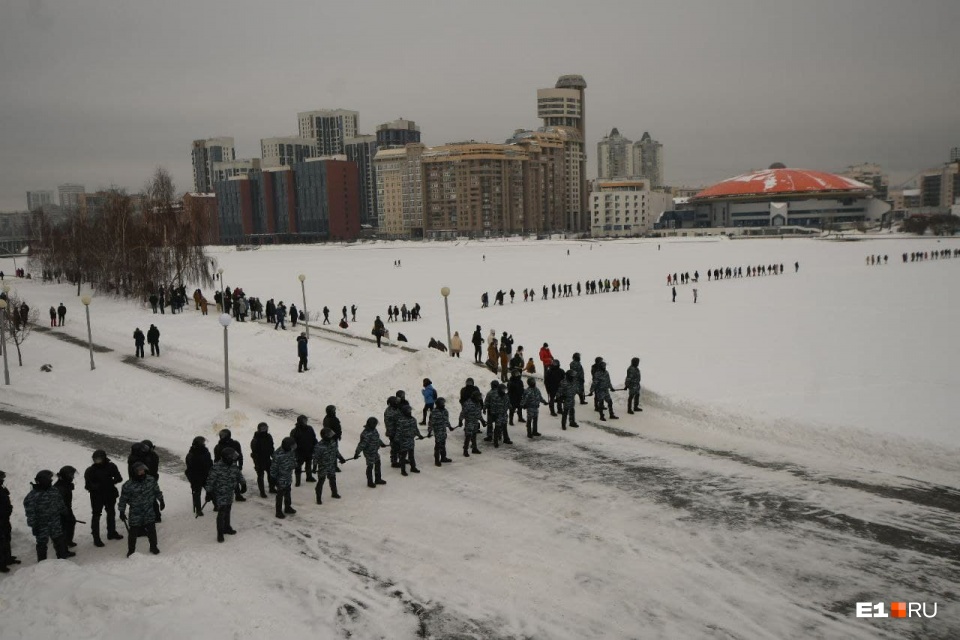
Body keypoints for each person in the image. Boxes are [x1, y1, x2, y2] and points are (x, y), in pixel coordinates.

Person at [23, 470, 72, 562]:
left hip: (55, 522)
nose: (51, 481)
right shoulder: (32, 496)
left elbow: (60, 503)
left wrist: (65, 513)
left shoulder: (53, 490)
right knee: (42, 545)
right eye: (49, 479)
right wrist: (34, 525)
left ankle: (63, 562)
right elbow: (30, 513)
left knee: (59, 542)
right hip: (41, 525)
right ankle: (42, 565)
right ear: (43, 480)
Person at [118, 462, 163, 556]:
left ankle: (153, 546)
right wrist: (121, 511)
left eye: (143, 470)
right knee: (133, 532)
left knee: (151, 530)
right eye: (139, 471)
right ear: (134, 472)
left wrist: (161, 500)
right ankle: (131, 550)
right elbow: (123, 499)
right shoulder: (128, 485)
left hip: (149, 510)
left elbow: (157, 491)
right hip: (135, 512)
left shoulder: (150, 480)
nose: (142, 472)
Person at [84, 449, 123, 547]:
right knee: (96, 515)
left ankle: (111, 532)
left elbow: (119, 477)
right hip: (97, 496)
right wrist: (97, 486)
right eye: (95, 459)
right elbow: (87, 485)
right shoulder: (90, 470)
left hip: (110, 493)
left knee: (111, 512)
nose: (97, 461)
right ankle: (96, 538)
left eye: (99, 459)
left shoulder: (111, 466)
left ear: (104, 458)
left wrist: (111, 482)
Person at [205, 447, 245, 542]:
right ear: (226, 457)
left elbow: (239, 475)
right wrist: (209, 492)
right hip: (220, 493)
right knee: (222, 511)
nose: (233, 459)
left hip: (230, 491)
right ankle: (220, 532)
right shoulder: (217, 467)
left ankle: (227, 527)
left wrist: (243, 483)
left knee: (228, 509)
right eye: (232, 457)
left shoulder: (233, 465)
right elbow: (210, 481)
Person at [353, 417, 389, 488]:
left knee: (378, 462)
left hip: (374, 451)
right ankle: (370, 482)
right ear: (371, 424)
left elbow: (377, 438)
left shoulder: (374, 430)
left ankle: (378, 479)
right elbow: (361, 445)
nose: (375, 426)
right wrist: (357, 453)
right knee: (370, 466)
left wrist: (381, 443)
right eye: (374, 424)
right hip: (369, 453)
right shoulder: (365, 434)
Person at [313, 428, 346, 504]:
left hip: (331, 465)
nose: (331, 436)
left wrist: (340, 458)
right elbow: (315, 457)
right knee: (321, 481)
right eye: (329, 435)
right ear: (325, 436)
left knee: (332, 479)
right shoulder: (319, 446)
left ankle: (334, 493)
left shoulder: (332, 442)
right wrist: (314, 466)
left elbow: (336, 451)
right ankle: (318, 498)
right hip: (323, 467)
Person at [213, 429, 246, 502]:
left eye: (224, 435)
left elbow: (239, 455)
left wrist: (240, 464)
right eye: (221, 435)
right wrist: (216, 468)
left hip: (233, 464)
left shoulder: (235, 444)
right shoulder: (218, 446)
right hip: (222, 466)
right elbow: (216, 458)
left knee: (235, 479)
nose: (222, 436)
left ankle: (238, 495)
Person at [270, 438, 298, 518]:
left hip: (288, 476)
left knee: (288, 492)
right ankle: (278, 511)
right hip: (280, 478)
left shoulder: (290, 451)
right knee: (280, 495)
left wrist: (295, 465)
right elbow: (273, 468)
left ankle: (287, 507)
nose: (294, 447)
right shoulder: (278, 455)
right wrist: (273, 478)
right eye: (292, 446)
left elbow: (292, 460)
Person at [185, 436, 213, 516]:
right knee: (197, 493)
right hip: (196, 477)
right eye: (203, 442)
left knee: (211, 490)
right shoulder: (191, 454)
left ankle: (216, 505)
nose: (204, 444)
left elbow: (210, 463)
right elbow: (190, 467)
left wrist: (210, 471)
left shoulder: (206, 452)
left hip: (205, 475)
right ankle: (198, 509)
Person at [54, 466, 78, 549]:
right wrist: (65, 513)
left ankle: (68, 541)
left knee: (71, 523)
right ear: (66, 475)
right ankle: (63, 549)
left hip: (66, 508)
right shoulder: (60, 487)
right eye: (71, 475)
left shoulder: (65, 484)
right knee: (64, 528)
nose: (73, 477)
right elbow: (59, 503)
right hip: (62, 511)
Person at [250, 423, 276, 498]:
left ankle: (271, 488)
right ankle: (262, 492)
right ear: (259, 429)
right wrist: (256, 463)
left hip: (268, 458)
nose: (264, 429)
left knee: (271, 474)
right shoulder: (255, 439)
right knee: (260, 476)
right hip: (259, 460)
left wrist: (273, 456)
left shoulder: (269, 437)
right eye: (262, 428)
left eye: (266, 428)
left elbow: (271, 447)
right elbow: (254, 452)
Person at [290, 415, 317, 486]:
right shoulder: (294, 431)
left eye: (306, 420)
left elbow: (314, 438)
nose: (305, 422)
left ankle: (309, 477)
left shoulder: (310, 428)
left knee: (308, 464)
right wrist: (295, 452)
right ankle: (298, 481)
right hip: (299, 453)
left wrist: (315, 446)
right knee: (298, 466)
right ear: (299, 421)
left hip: (309, 450)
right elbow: (292, 443)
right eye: (303, 420)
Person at [427, 397, 454, 467]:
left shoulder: (445, 411)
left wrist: (449, 426)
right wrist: (430, 431)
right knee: (438, 445)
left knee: (443, 444)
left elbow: (446, 420)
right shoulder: (434, 412)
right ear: (438, 404)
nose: (443, 404)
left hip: (443, 430)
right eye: (442, 403)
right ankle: (437, 460)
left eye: (443, 403)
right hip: (437, 431)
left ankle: (443, 457)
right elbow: (431, 422)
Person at [0, 470, 18, 573]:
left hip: (4, 519)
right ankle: (1, 564)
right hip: (1, 520)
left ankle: (8, 558)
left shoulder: (1, 488)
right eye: (1, 478)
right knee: (1, 541)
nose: (3, 480)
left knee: (7, 538)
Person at [462, 390, 485, 456]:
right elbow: (463, 413)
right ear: (474, 397)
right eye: (478, 397)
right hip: (469, 422)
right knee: (468, 436)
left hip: (475, 422)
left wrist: (482, 421)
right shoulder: (468, 403)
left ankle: (474, 448)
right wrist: (460, 420)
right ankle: (465, 450)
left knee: (474, 435)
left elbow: (478, 413)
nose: (479, 398)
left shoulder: (478, 403)